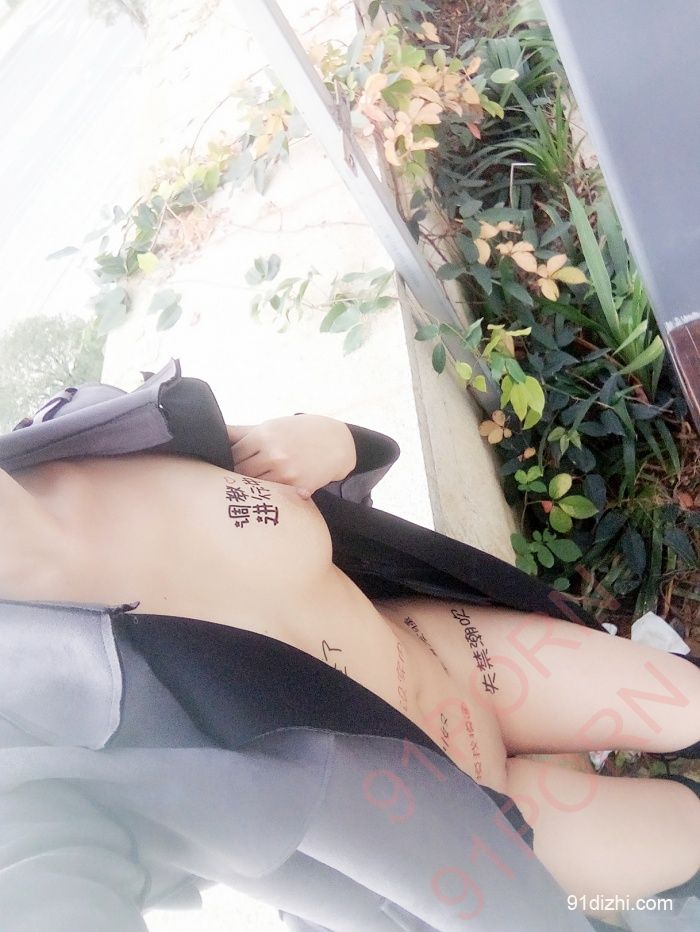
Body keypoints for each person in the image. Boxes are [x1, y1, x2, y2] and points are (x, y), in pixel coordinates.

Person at [0, 359, 698, 931]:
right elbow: (43, 880)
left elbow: (307, 516)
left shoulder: (90, 426)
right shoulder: (27, 752)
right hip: (466, 819)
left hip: (449, 649)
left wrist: (335, 442)